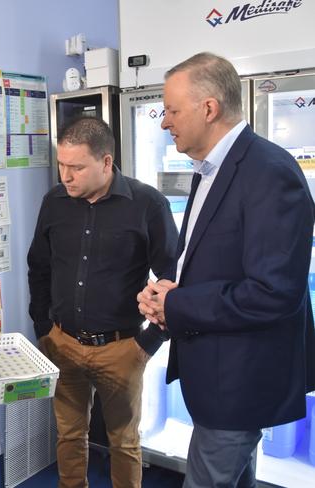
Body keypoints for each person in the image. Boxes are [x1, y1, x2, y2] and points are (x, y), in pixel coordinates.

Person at [137, 52, 315, 488]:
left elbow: (273, 293)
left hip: (241, 382)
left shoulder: (270, 172)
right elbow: (213, 265)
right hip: (217, 376)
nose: (164, 122)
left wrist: (176, 303)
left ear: (209, 108)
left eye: (173, 111)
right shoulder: (209, 170)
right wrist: (165, 296)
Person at [28, 117, 178, 488]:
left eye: (76, 167)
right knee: (68, 436)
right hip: (62, 343)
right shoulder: (54, 202)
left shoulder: (147, 204)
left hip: (122, 347)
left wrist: (147, 344)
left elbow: (174, 282)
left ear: (107, 162)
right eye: (62, 164)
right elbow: (39, 268)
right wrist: (44, 331)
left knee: (124, 443)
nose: (66, 175)